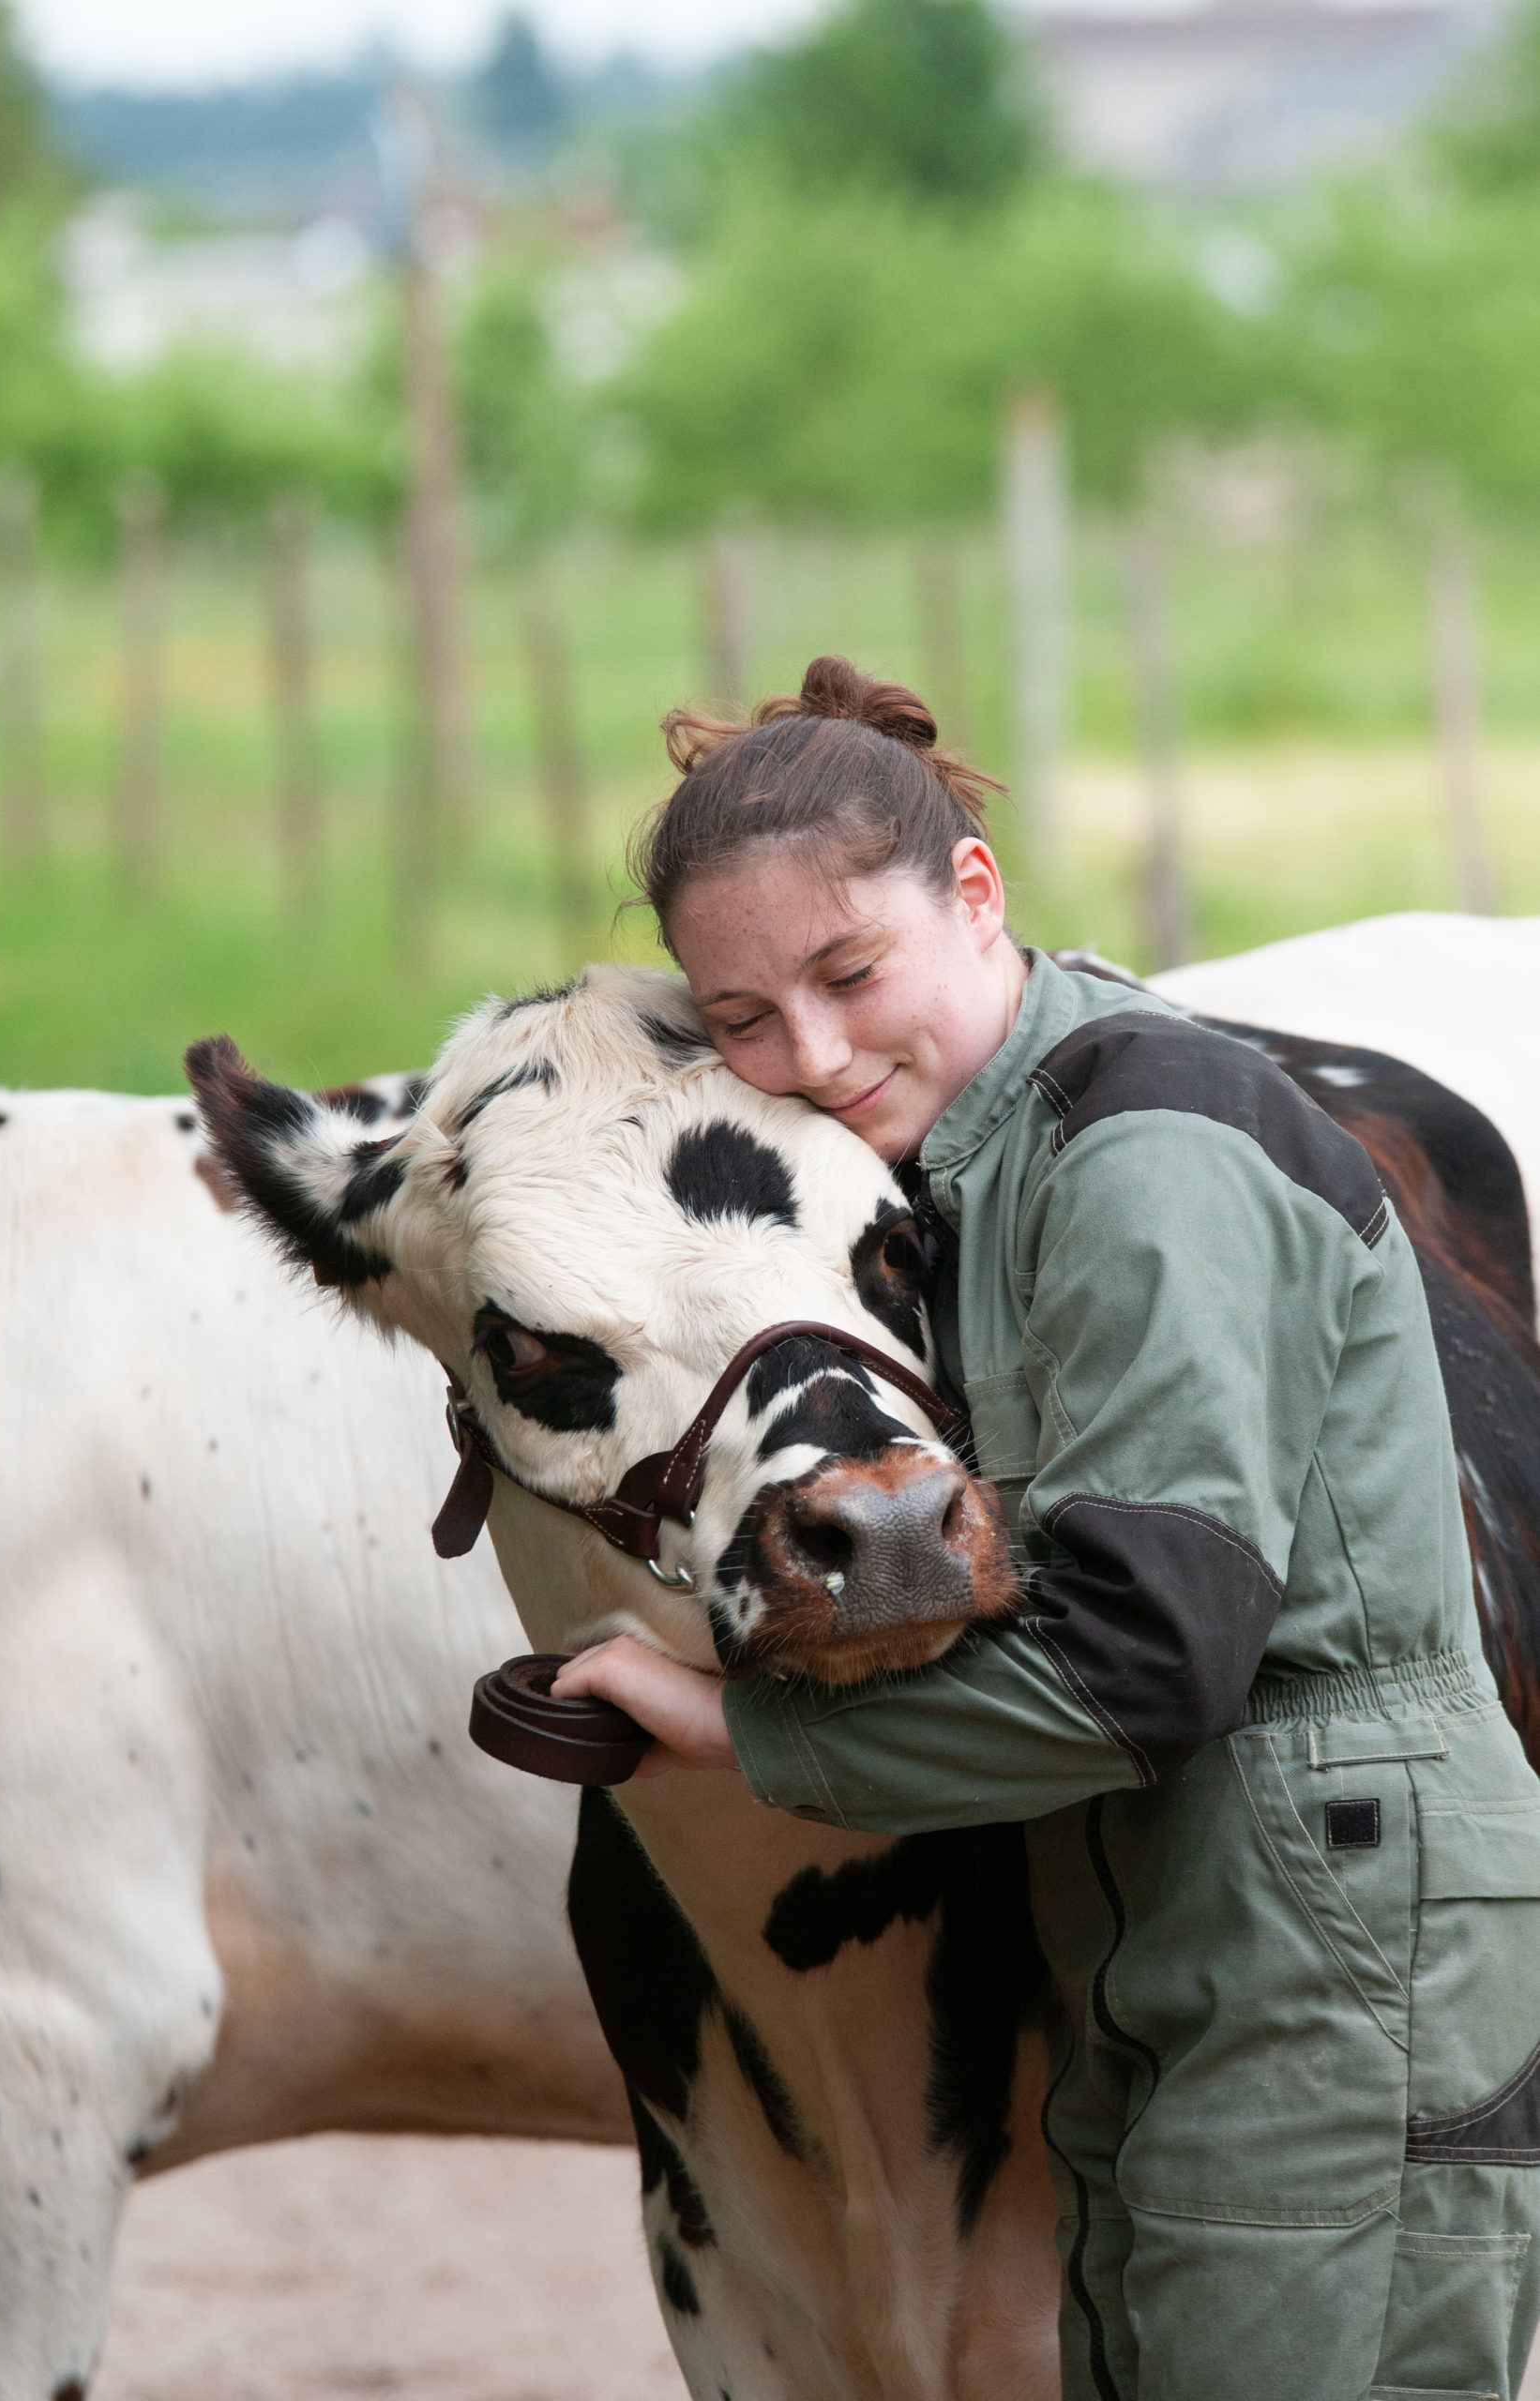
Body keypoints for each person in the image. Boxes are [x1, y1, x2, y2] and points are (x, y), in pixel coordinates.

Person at [554, 654, 1540, 2401]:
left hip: (1331, 1913)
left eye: (851, 975)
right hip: (1186, 1918)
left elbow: (1145, 1661)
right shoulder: (976, 1156)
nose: (816, 1055)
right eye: (743, 1020)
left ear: (977, 892)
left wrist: (739, 1726)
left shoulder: (1146, 1150)